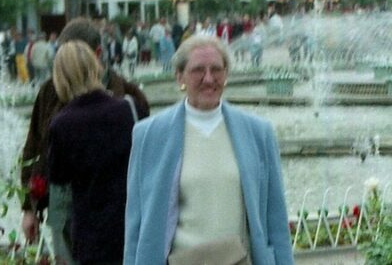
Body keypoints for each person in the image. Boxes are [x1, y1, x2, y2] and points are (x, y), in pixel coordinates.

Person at [124, 35, 293, 265]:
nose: (208, 78)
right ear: (179, 76)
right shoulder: (149, 136)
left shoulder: (258, 134)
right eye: (198, 70)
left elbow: (276, 223)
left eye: (216, 69)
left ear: (226, 75)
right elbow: (135, 225)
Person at [20, 18, 150, 254]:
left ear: (97, 53)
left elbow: (148, 162)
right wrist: (29, 208)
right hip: (63, 211)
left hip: (118, 215)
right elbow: (33, 149)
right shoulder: (50, 92)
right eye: (62, 55)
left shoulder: (129, 97)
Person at [47, 41, 137, 265]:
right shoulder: (127, 109)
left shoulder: (62, 123)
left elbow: (58, 176)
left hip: (90, 230)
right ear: (95, 66)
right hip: (130, 223)